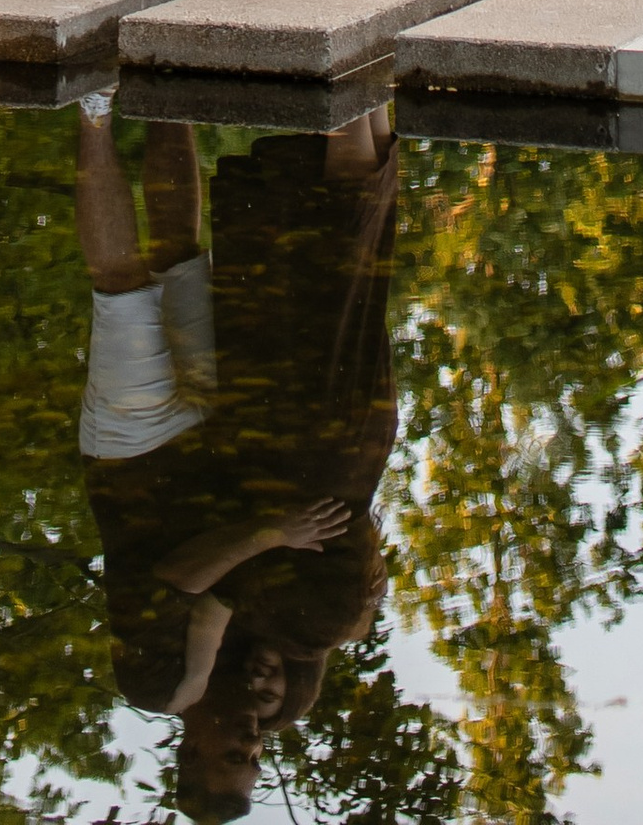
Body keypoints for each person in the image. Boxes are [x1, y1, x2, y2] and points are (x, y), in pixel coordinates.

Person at [74, 100, 400, 822]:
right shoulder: (274, 660)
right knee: (182, 253)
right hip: (217, 442)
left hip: (135, 462)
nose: (250, 744)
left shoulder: (164, 687)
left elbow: (185, 578)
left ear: (188, 755)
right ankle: (165, 90)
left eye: (231, 757)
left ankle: (93, 110)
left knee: (123, 285)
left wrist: (267, 537)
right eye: (254, 761)